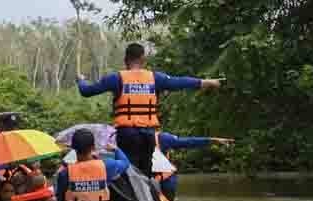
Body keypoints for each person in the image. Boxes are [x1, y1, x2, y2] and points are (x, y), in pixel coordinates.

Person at [76, 43, 223, 177]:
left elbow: (87, 91)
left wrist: (81, 80)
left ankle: (132, 196)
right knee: (145, 174)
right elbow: (179, 82)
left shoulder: (116, 78)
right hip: (148, 134)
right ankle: (148, 195)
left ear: (125, 60)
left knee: (129, 173)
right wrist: (205, 82)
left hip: (127, 134)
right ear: (143, 59)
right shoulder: (155, 78)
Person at [154, 132, 234, 201]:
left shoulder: (161, 138)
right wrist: (213, 140)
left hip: (154, 184)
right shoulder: (162, 138)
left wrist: (212, 140)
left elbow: (188, 142)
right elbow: (189, 142)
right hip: (164, 183)